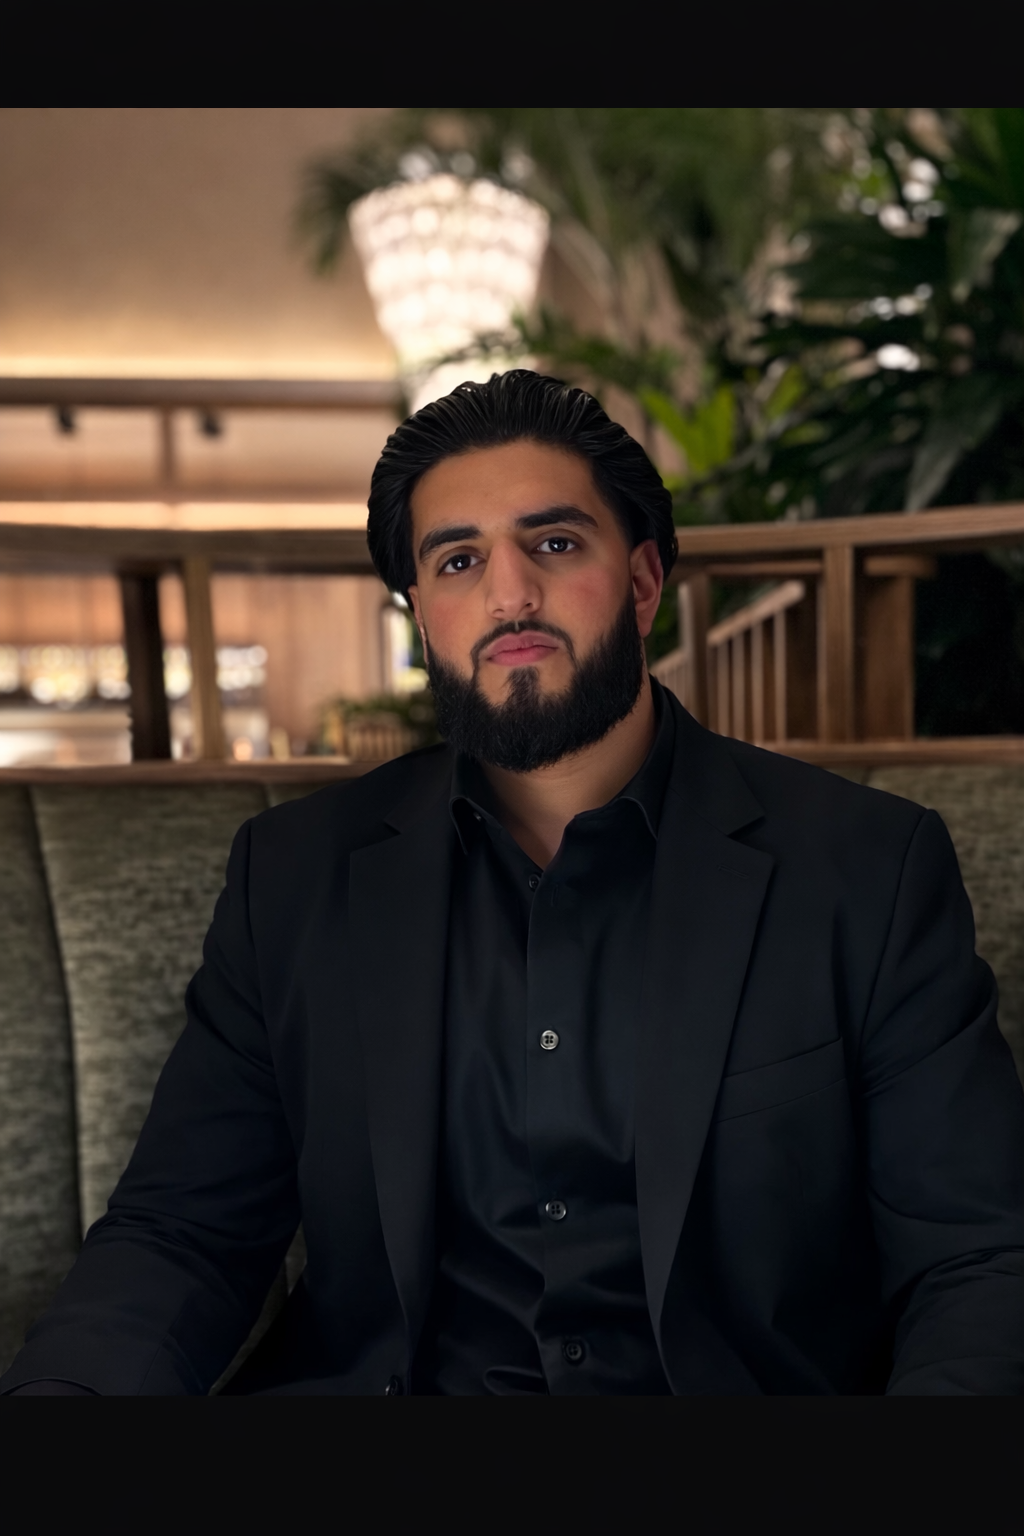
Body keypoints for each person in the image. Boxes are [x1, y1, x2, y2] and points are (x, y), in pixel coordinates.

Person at [5, 371, 1024, 1396]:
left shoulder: (866, 869)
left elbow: (977, 1257)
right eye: (458, 561)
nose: (509, 595)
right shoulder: (293, 879)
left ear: (641, 582)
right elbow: (183, 1233)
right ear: (421, 616)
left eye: (555, 544)